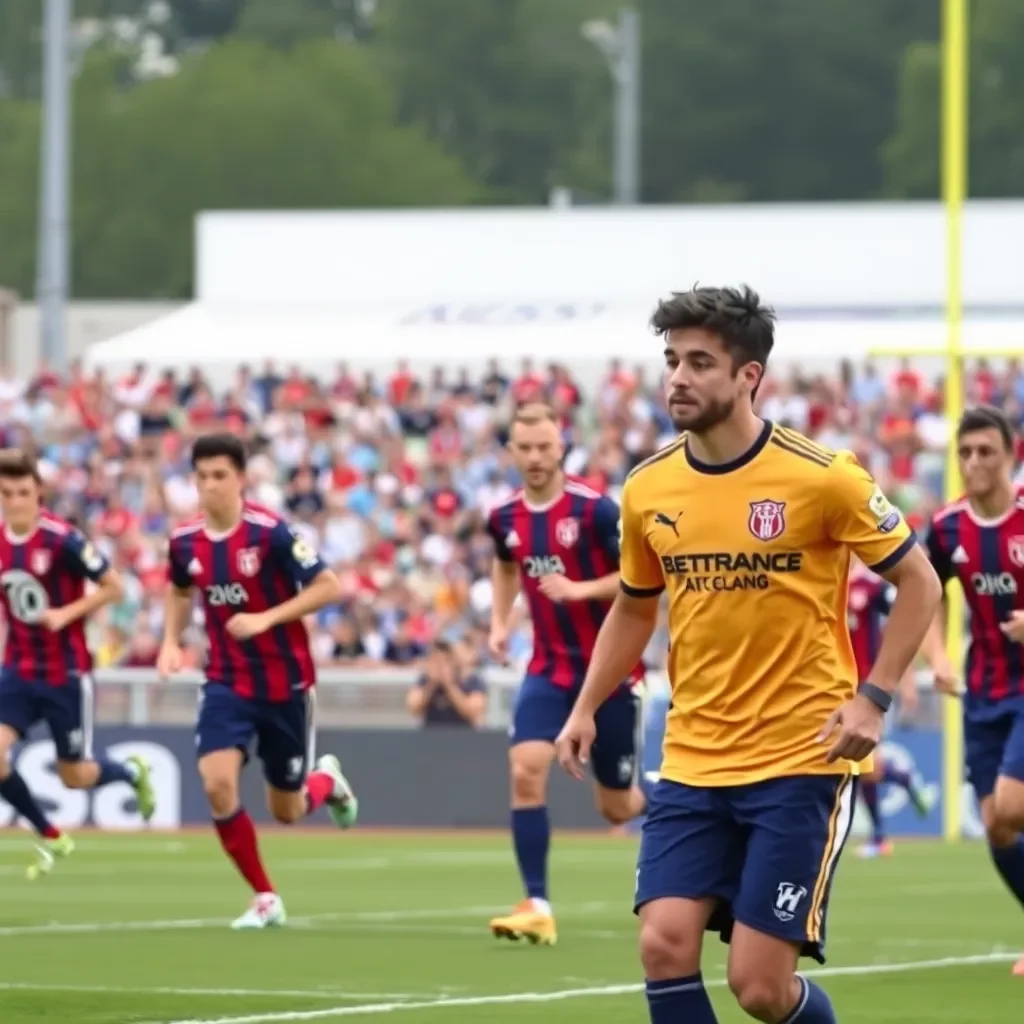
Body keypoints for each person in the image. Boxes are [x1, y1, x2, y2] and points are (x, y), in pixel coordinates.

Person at [555, 286, 941, 1024]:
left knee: (759, 989)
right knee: (663, 945)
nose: (678, 377)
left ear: (748, 377)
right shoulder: (647, 488)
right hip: (695, 758)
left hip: (798, 760)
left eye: (700, 362)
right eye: (671, 360)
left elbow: (919, 582)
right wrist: (586, 706)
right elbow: (636, 607)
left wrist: (876, 695)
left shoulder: (824, 476)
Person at [157, 433, 358, 930]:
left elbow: (329, 585)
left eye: (220, 475)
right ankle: (265, 897)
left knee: (286, 809)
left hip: (284, 685)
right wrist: (169, 640)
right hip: (226, 682)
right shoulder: (185, 543)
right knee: (217, 782)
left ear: (242, 478)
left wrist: (267, 618)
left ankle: (327, 781)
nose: (210, 486)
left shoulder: (271, 533)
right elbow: (180, 591)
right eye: (201, 477)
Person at [486, 402, 647, 947]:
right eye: (524, 447)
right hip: (548, 670)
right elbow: (506, 564)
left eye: (544, 447)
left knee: (616, 805)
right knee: (525, 770)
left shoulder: (596, 511)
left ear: (562, 447)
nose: (534, 457)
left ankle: (679, 802)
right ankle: (537, 903)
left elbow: (641, 577)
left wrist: (580, 589)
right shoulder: (505, 517)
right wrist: (500, 622)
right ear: (512, 451)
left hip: (609, 674)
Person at [0, 449, 156, 879]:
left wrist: (65, 615)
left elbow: (114, 587)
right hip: (17, 670)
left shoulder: (62, 539)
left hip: (65, 674)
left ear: (39, 493)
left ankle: (128, 772)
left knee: (74, 776)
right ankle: (50, 833)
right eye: (7, 493)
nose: (15, 501)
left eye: (23, 492)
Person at [922, 404, 1024, 977]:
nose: (973, 462)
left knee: (1012, 805)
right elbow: (926, 592)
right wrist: (936, 655)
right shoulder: (947, 527)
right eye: (965, 452)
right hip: (984, 691)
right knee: (997, 824)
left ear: (1010, 456)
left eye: (986, 451)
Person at [846, 560, 934, 858]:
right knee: (857, 766)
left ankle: (880, 837)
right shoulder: (825, 583)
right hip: (836, 688)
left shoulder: (870, 587)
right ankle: (904, 780)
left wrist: (904, 680)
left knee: (865, 766)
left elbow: (900, 628)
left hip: (870, 687)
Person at [406, 639, 487, 728]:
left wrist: (449, 685)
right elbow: (413, 707)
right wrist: (432, 684)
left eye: (445, 661)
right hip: (431, 734)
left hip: (463, 734)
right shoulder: (425, 680)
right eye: (436, 661)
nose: (440, 666)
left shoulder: (470, 681)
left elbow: (473, 711)